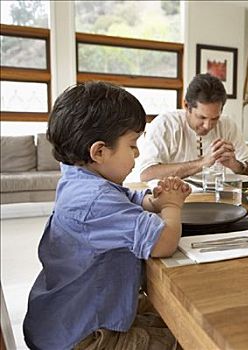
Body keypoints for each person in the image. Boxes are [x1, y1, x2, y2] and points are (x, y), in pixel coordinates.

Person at [23, 81, 191, 349]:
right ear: (99, 152)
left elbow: (125, 200)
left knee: (170, 317)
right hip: (84, 337)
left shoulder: (79, 179)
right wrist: (172, 206)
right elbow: (163, 243)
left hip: (66, 317)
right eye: (132, 145)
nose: (137, 153)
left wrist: (153, 200)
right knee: (184, 338)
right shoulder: (96, 199)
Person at [139, 73, 248, 181]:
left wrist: (236, 165)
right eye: (201, 117)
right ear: (186, 105)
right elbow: (147, 174)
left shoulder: (227, 125)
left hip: (214, 198)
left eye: (214, 118)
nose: (208, 126)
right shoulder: (165, 124)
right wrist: (202, 163)